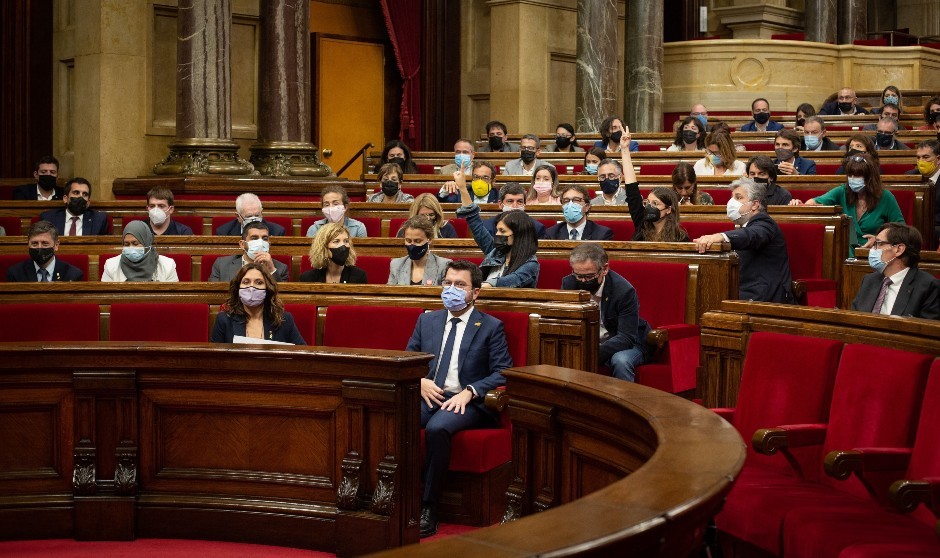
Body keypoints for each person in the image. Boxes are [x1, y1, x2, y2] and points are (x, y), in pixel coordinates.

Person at [408, 260, 512, 537]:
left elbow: (503, 371)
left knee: (438, 428)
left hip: (469, 401)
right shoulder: (427, 320)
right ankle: (398, 495)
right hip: (431, 393)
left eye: (459, 285)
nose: (451, 289)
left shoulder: (490, 326)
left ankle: (429, 506)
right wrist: (419, 380)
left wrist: (471, 391)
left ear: (475, 292)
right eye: (447, 283)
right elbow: (408, 359)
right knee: (395, 417)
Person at [693, 178, 794, 303]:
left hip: (765, 299)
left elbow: (752, 235)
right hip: (744, 294)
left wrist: (722, 236)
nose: (731, 202)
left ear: (755, 204)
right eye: (732, 197)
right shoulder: (745, 226)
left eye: (738, 197)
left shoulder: (764, 223)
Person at [561, 244, 650, 381]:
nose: (583, 281)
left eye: (589, 276)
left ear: (604, 269)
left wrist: (592, 353)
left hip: (626, 344)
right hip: (588, 343)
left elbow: (626, 337)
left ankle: (624, 396)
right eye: (578, 276)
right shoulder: (569, 284)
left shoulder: (624, 291)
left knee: (621, 361)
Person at [791, 153, 904, 254]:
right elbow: (814, 202)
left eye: (857, 176)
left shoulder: (886, 197)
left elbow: (900, 229)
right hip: (845, 251)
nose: (853, 179)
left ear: (870, 178)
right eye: (850, 175)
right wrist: (800, 204)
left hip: (875, 252)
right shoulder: (842, 191)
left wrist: (878, 240)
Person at [454, 171, 540, 288]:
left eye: (503, 231)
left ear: (517, 234)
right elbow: (474, 222)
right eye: (498, 230)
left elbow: (512, 280)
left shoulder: (530, 263)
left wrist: (483, 286)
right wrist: (463, 188)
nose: (497, 234)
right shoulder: (495, 252)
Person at [851, 223, 938, 319]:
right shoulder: (869, 280)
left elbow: (928, 326)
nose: (872, 249)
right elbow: (854, 319)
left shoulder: (928, 287)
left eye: (878, 244)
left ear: (898, 249)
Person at [210, 263, 306, 344]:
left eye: (259, 283)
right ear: (238, 288)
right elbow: (215, 358)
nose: (251, 287)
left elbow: (302, 353)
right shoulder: (224, 320)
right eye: (246, 282)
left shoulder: (284, 319)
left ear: (267, 288)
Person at [619, 139, 689, 241]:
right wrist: (624, 149)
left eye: (655, 203)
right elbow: (632, 190)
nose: (649, 207)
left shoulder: (680, 238)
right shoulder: (642, 223)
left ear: (668, 209)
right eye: (647, 202)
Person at [208, 221, 289, 283]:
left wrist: (271, 270)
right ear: (242, 244)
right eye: (254, 238)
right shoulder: (222, 265)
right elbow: (214, 295)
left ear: (269, 244)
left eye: (264, 239)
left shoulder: (280, 268)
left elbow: (281, 296)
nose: (260, 243)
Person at [6, 220, 84, 282]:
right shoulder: (15, 273)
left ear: (56, 245)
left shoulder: (72, 275)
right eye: (34, 243)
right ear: (28, 244)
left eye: (45, 243)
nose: (39, 247)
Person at [102, 221, 178, 282]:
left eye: (135, 244)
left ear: (146, 243)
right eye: (126, 244)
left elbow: (172, 296)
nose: (131, 248)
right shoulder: (111, 266)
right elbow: (106, 295)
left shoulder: (167, 265)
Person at [388, 215, 452, 286]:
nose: (412, 245)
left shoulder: (443, 266)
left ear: (429, 239)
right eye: (408, 241)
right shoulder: (396, 265)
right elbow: (390, 292)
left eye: (417, 241)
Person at [299, 222, 367, 283]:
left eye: (346, 241)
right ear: (324, 247)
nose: (343, 246)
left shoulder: (359, 276)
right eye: (336, 241)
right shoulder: (308, 278)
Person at [39, 177, 110, 236]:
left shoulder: (99, 220)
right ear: (65, 199)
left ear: (88, 203)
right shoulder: (49, 219)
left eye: (85, 194)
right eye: (76, 193)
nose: (80, 197)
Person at [544, 183, 614, 240]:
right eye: (566, 201)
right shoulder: (551, 234)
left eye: (576, 200)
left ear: (587, 207)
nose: (570, 205)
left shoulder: (602, 234)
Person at [482, 183, 547, 239]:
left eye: (519, 202)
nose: (515, 206)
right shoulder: (486, 227)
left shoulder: (536, 228)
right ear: (500, 205)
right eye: (510, 201)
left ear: (524, 205)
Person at [907, 140, 940, 242]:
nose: (921, 161)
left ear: (938, 159)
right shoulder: (909, 176)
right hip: (911, 226)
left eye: (926, 157)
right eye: (918, 158)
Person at [214, 192, 286, 236]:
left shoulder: (277, 232)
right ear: (238, 217)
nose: (254, 220)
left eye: (257, 215)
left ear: (261, 213)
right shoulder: (223, 232)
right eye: (249, 216)